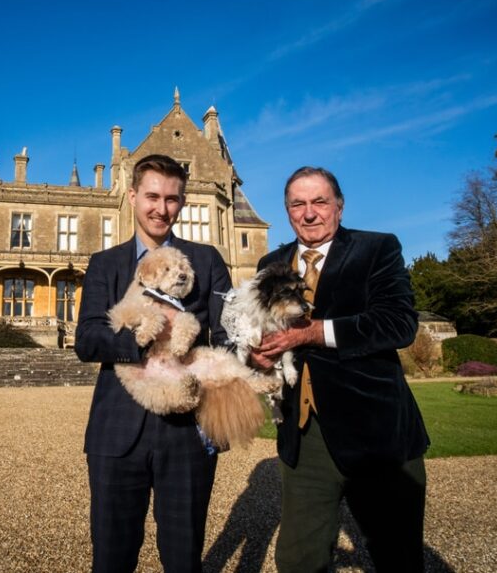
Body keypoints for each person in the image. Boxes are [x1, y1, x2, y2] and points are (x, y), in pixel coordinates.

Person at [250, 166, 429, 572]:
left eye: (319, 202)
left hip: (376, 433)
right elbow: (261, 332)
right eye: (298, 204)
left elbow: (398, 323)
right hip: (304, 434)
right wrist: (256, 356)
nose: (309, 213)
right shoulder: (271, 262)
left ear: (339, 207)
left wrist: (313, 333)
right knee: (299, 559)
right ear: (287, 210)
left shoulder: (376, 249)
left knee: (397, 556)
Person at [76, 153, 232, 573]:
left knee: (183, 559)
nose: (161, 209)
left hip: (185, 433)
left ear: (182, 201)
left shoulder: (207, 260)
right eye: (152, 196)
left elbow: (228, 337)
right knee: (111, 558)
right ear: (131, 196)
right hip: (116, 432)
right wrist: (149, 337)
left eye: (172, 199)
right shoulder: (104, 264)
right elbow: (87, 339)